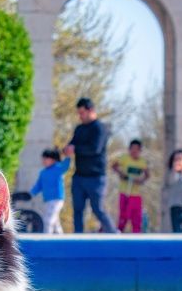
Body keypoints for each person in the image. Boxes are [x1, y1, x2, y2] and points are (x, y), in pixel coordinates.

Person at [63, 97, 117, 233]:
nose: (80, 116)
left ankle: (114, 235)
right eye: (79, 113)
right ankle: (78, 239)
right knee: (78, 210)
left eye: (82, 113)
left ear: (91, 111)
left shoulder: (100, 128)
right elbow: (72, 144)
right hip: (79, 176)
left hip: (96, 177)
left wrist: (75, 149)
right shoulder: (79, 129)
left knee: (98, 209)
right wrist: (67, 149)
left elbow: (95, 149)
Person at [29, 147, 71, 234]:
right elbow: (38, 185)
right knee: (55, 222)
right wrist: (30, 193)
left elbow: (65, 166)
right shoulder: (43, 172)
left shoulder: (58, 169)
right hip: (47, 200)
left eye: (46, 159)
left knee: (48, 220)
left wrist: (67, 156)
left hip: (57, 199)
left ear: (53, 160)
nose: (43, 161)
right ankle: (61, 240)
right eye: (43, 159)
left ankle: (47, 239)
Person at [111, 139, 149, 233]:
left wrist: (141, 180)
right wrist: (122, 174)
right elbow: (114, 166)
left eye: (137, 149)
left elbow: (147, 174)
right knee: (123, 216)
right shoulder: (124, 158)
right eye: (132, 149)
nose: (134, 151)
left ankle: (136, 238)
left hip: (136, 194)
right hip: (125, 192)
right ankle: (119, 235)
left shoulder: (142, 162)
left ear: (140, 151)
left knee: (136, 218)